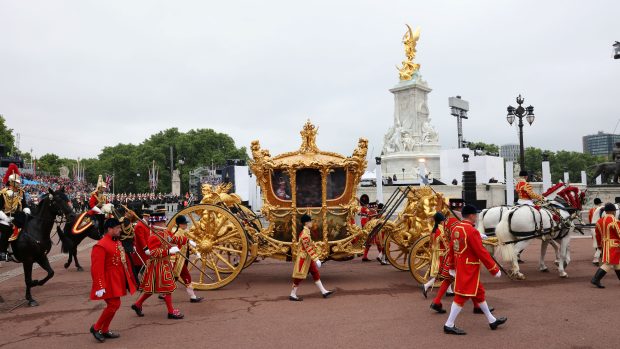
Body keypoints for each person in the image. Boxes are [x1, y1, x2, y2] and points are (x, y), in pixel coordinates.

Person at [443, 204, 506, 335]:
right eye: (475, 215)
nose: (476, 217)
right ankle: (448, 324)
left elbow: (452, 248)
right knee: (461, 296)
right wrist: (494, 269)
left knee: (479, 293)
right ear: (471, 215)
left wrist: (452, 266)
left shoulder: (457, 228)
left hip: (461, 266)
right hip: (469, 268)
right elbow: (481, 252)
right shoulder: (471, 231)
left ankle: (491, 320)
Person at [131, 211, 196, 319]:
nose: (165, 222)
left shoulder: (164, 233)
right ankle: (171, 312)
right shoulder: (154, 237)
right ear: (158, 222)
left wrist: (188, 240)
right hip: (158, 265)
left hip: (164, 263)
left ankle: (137, 304)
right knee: (167, 288)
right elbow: (153, 253)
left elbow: (174, 239)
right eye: (163, 221)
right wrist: (169, 252)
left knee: (153, 288)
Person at [89, 218, 137, 343]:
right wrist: (100, 286)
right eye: (117, 228)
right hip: (107, 281)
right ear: (110, 229)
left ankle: (104, 329)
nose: (120, 230)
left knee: (115, 304)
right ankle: (96, 328)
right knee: (114, 304)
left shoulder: (116, 242)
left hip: (116, 279)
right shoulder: (100, 245)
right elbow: (96, 268)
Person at [289, 214, 333, 301]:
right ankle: (292, 294)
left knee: (315, 273)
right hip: (304, 258)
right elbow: (308, 248)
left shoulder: (306, 232)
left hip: (307, 258)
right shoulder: (305, 233)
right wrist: (316, 259)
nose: (311, 223)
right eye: (310, 221)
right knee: (299, 277)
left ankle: (323, 291)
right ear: (306, 223)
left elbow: (310, 244)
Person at [0, 163, 31, 262]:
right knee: (6, 229)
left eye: (19, 182)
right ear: (11, 182)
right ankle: (2, 252)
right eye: (16, 182)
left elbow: (25, 204)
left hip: (17, 217)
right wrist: (5, 218)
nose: (19, 184)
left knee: (29, 226)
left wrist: (26, 210)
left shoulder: (21, 192)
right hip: (4, 217)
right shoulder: (3, 193)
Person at [171, 215, 204, 303]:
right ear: (181, 225)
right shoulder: (178, 233)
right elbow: (175, 242)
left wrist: (196, 252)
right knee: (186, 276)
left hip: (183, 258)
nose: (186, 225)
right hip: (179, 259)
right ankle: (193, 296)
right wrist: (188, 241)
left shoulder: (183, 232)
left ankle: (163, 294)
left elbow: (187, 244)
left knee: (175, 277)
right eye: (185, 223)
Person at [590, 203, 620, 288]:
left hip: (605, 244)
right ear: (613, 211)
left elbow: (597, 235)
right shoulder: (615, 221)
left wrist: (599, 246)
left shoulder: (599, 221)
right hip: (614, 245)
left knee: (616, 263)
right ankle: (595, 279)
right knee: (609, 263)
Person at [589, 198, 603, 265]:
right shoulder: (601, 209)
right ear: (600, 203)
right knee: (600, 241)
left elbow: (589, 218)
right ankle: (597, 257)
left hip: (592, 226)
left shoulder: (591, 210)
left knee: (596, 241)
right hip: (598, 227)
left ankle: (598, 254)